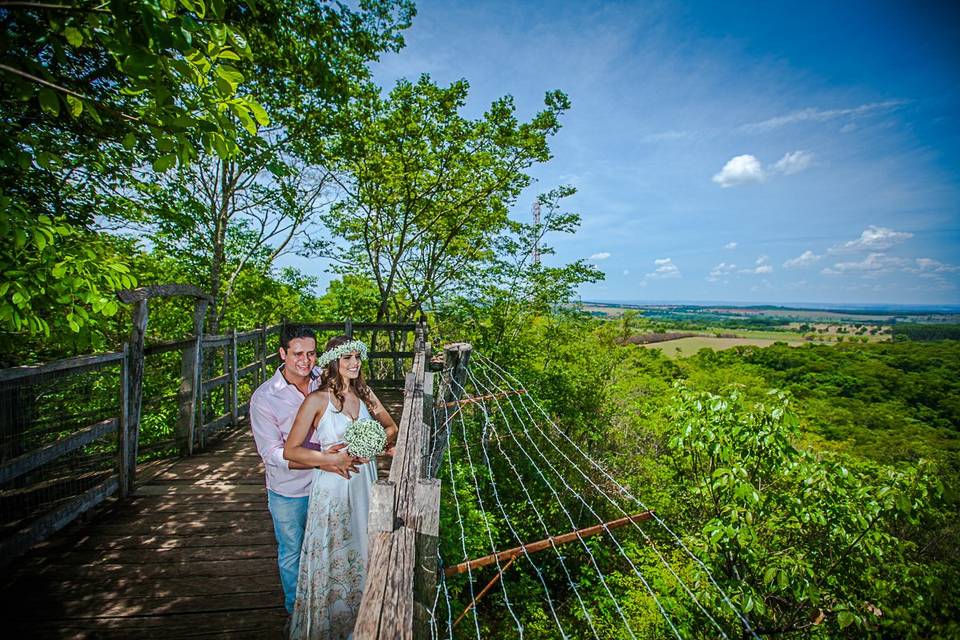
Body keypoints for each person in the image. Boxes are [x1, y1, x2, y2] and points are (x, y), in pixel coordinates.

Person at [283, 335, 398, 640]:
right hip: (333, 483)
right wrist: (327, 457)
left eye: (358, 357)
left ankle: (363, 621)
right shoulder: (317, 400)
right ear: (334, 362)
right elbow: (291, 451)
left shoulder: (365, 394)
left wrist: (371, 441)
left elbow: (391, 427)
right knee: (335, 546)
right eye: (347, 358)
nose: (354, 363)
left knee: (364, 545)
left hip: (365, 480)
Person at [249, 326, 333, 618]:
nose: (306, 361)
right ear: (283, 354)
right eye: (298, 354)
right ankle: (296, 613)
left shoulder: (326, 379)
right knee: (291, 553)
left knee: (329, 545)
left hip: (330, 481)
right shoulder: (265, 398)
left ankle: (325, 609)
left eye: (311, 353)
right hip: (289, 490)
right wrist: (321, 460)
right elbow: (271, 454)